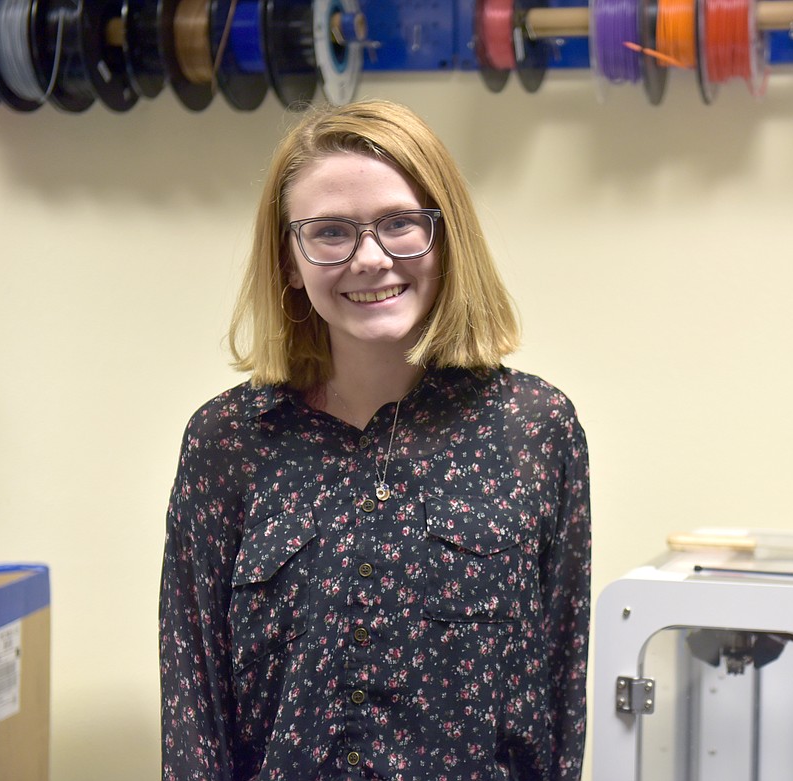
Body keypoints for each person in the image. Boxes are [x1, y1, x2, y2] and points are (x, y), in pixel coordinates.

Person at [159, 99, 591, 781]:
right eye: (330, 232)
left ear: (446, 238)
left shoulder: (533, 428)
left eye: (399, 224)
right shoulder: (228, 442)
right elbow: (194, 708)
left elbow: (561, 694)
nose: (370, 258)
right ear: (290, 261)